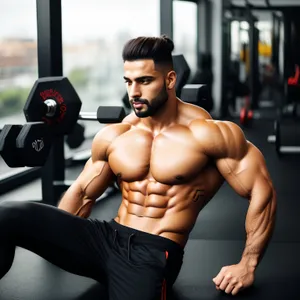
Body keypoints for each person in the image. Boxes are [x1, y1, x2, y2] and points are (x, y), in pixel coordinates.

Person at [0, 35, 277, 300]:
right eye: (128, 81)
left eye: (144, 81)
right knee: (7, 214)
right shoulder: (117, 135)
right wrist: (58, 236)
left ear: (170, 79)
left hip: (153, 252)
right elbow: (83, 192)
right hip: (104, 237)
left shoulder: (207, 134)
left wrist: (247, 265)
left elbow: (261, 192)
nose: (134, 92)